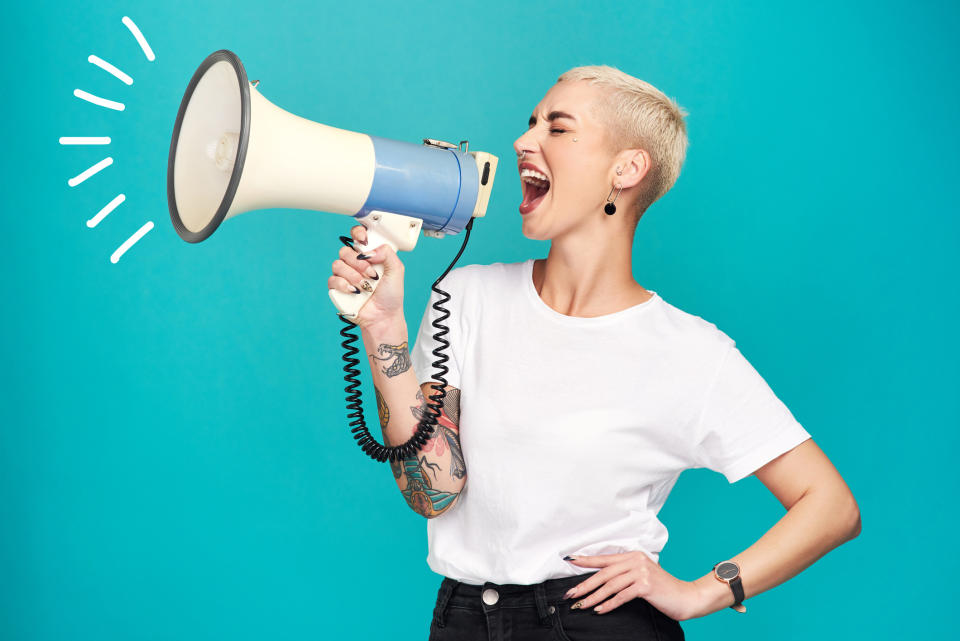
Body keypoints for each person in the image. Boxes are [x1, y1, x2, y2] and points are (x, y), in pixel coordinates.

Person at [327, 65, 861, 641]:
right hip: (462, 619)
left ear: (626, 169)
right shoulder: (466, 297)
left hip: (596, 624)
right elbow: (433, 491)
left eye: (557, 128)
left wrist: (703, 590)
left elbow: (830, 505)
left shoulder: (689, 353)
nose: (523, 141)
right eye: (531, 123)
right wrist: (384, 330)